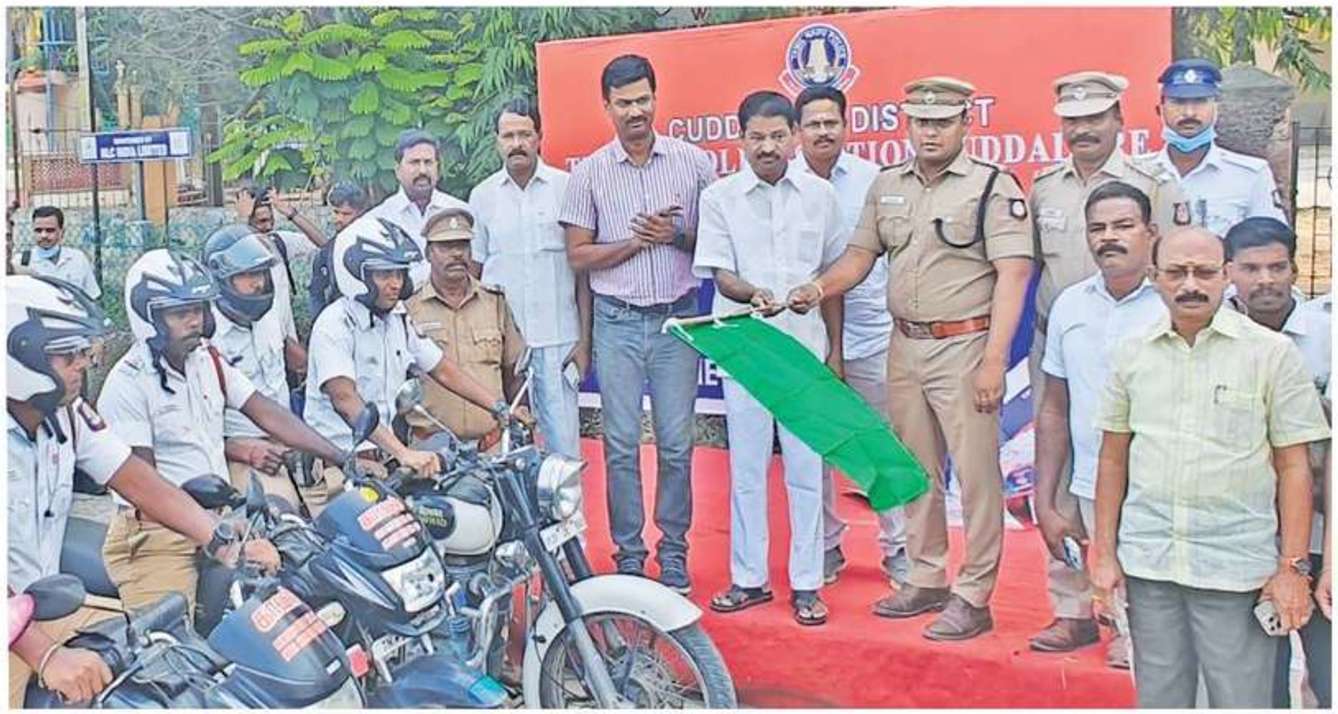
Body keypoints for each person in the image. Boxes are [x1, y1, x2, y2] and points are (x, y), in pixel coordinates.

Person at [788, 76, 1033, 641]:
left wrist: (994, 360)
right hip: (904, 347)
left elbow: (1014, 275)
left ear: (965, 123)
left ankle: (974, 593)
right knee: (912, 470)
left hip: (965, 345)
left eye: (942, 122)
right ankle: (926, 576)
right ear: (908, 124)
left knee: (975, 476)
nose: (930, 133)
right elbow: (859, 256)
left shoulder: (992, 186)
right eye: (921, 122)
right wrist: (817, 289)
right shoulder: (888, 184)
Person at [1089, 226, 1329, 708]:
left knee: (1241, 700)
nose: (1190, 285)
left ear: (1226, 276)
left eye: (1203, 272)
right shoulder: (1131, 353)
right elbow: (1113, 457)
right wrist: (1105, 554)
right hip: (1151, 561)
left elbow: (1294, 467)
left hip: (1235, 568)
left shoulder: (1270, 354)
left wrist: (1292, 568)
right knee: (1160, 697)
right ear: (1154, 277)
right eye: (1176, 273)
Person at [6, 275, 273, 707]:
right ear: (18, 356)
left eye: (82, 350)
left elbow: (138, 480)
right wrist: (45, 654)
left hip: (41, 610)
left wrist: (220, 538)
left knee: (168, 669)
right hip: (14, 634)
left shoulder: (67, 415)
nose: (83, 363)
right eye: (66, 353)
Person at [1028, 71, 1188, 662]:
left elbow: (1179, 258)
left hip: (1140, 333)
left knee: (1132, 473)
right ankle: (1073, 608)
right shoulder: (1045, 187)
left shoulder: (1152, 184)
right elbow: (1033, 267)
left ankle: (1132, 616)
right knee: (1065, 468)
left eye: (1095, 118)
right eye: (1072, 120)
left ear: (1119, 120)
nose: (1083, 130)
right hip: (1066, 336)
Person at [96, 250, 344, 615]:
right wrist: (219, 535)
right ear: (150, 318)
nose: (195, 321)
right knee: (173, 639)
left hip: (218, 519)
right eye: (181, 313)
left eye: (198, 309)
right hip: (156, 536)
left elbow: (265, 411)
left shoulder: (207, 359)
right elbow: (144, 488)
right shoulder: (128, 384)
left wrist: (339, 456)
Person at [559, 54, 716, 593]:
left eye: (643, 99)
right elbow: (577, 256)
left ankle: (673, 552)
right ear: (606, 107)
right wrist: (633, 243)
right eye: (623, 102)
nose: (635, 111)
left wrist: (674, 236)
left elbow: (717, 241)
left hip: (677, 322)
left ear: (656, 98)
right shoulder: (589, 174)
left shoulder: (694, 164)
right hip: (618, 323)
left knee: (676, 444)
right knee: (621, 445)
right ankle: (629, 554)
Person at [696, 91, 846, 624]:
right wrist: (751, 293)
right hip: (747, 349)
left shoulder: (821, 196)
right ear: (740, 140)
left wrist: (835, 353)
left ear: (795, 137)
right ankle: (749, 579)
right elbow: (720, 274)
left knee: (807, 468)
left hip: (804, 351)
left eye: (778, 136)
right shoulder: (719, 197)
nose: (767, 147)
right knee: (747, 469)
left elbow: (834, 278)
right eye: (757, 137)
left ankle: (807, 583)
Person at [1029, 182, 1166, 662]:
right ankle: (1098, 624)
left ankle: (1139, 637)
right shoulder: (1070, 304)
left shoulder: (1173, 304)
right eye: (1098, 228)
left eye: (1123, 226)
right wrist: (1045, 496)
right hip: (1089, 470)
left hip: (1157, 475)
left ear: (1151, 233)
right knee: (1089, 553)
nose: (1109, 237)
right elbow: (1054, 406)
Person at [790, 85, 907, 588]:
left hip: (871, 334)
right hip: (803, 339)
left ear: (846, 125)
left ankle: (900, 548)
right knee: (812, 450)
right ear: (797, 131)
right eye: (812, 124)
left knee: (880, 443)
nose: (823, 132)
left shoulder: (872, 180)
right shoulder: (783, 184)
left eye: (830, 122)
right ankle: (825, 546)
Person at [303, 215, 510, 485]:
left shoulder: (398, 319)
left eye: (399, 273)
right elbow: (345, 399)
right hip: (340, 463)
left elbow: (442, 369)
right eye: (384, 274)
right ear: (356, 274)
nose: (396, 283)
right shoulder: (335, 324)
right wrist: (403, 453)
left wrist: (498, 407)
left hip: (385, 460)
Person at [1220, 217, 1331, 707]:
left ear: (1295, 269)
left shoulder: (1327, 335)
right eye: (1250, 269)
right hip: (1244, 534)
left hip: (1320, 534)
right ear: (1228, 272)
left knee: (1329, 676)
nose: (1265, 280)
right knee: (1258, 686)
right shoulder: (1211, 336)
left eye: (1276, 267)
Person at [468, 97, 584, 459]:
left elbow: (583, 271)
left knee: (564, 447)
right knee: (506, 449)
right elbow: (474, 272)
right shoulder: (482, 196)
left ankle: (568, 502)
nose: (517, 143)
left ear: (540, 137)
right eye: (508, 136)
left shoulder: (567, 188)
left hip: (558, 339)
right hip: (501, 347)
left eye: (525, 134)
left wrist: (585, 342)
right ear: (497, 142)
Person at [201, 225, 327, 514]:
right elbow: (192, 428)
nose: (258, 283)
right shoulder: (205, 337)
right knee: (278, 514)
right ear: (220, 279)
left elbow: (294, 357)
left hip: (288, 440)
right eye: (247, 275)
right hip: (243, 450)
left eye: (260, 273)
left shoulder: (269, 313)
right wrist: (242, 450)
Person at [406, 209, 526, 449]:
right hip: (431, 449)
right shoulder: (409, 307)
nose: (457, 254)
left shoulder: (494, 302)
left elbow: (513, 372)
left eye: (463, 245)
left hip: (491, 446)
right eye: (446, 246)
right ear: (428, 253)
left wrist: (515, 419)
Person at [1152, 59, 1288, 236]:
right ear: (1160, 110)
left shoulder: (1251, 175)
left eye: (1200, 101)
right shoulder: (1140, 174)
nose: (1189, 113)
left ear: (1217, 109)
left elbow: (1271, 240)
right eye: (1178, 102)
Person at [365, 130, 470, 287]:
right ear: (397, 170)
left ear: (438, 168)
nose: (422, 170)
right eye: (414, 162)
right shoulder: (378, 220)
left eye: (428, 162)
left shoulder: (459, 212)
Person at [309, 181, 371, 316]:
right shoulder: (328, 251)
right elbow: (316, 291)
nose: (338, 219)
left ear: (360, 214)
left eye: (346, 214)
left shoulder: (373, 246)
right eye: (336, 212)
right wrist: (319, 321)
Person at [19, 206, 100, 301]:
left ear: (62, 232)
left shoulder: (78, 259)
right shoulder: (22, 261)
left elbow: (92, 297)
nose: (43, 235)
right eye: (38, 230)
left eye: (50, 230)